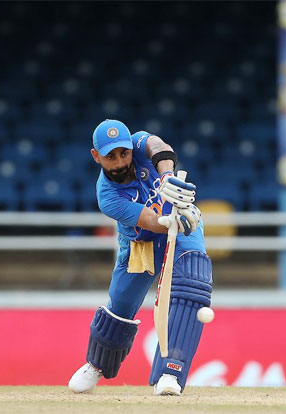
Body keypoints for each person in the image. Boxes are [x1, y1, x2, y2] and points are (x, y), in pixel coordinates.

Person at [68, 119, 212, 396]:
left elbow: (160, 147)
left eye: (124, 153)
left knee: (192, 282)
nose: (121, 161)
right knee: (120, 305)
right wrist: (170, 219)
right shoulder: (107, 195)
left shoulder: (139, 143)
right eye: (111, 157)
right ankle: (96, 364)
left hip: (185, 222)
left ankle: (170, 373)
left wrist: (167, 177)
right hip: (144, 239)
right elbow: (150, 220)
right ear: (96, 156)